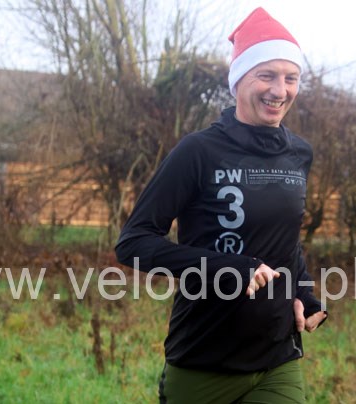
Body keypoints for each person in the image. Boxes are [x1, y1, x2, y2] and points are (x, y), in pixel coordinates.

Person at [115, 7, 327, 403]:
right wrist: (229, 268)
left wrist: (305, 292)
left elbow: (285, 240)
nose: (280, 90)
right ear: (239, 79)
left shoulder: (299, 154)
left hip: (277, 358)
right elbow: (133, 243)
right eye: (266, 75)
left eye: (291, 78)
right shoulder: (198, 151)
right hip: (203, 359)